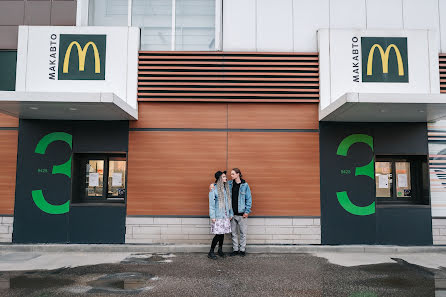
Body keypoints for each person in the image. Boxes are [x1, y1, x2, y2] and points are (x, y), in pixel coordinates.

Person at [210, 168, 252, 256]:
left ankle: (242, 250)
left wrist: (247, 211)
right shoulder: (229, 184)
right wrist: (212, 185)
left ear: (238, 174)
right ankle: (235, 250)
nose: (230, 176)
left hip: (240, 213)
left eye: (233, 174)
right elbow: (218, 184)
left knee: (242, 233)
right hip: (230, 214)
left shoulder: (245, 185)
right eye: (230, 174)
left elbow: (249, 199)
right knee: (233, 233)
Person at [208, 170, 233, 260]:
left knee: (222, 234)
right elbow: (211, 204)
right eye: (223, 177)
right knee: (218, 234)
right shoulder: (214, 190)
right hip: (218, 216)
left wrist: (230, 213)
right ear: (219, 178)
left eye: (225, 176)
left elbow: (228, 203)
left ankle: (220, 250)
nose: (225, 178)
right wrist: (213, 216)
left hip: (225, 215)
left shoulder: (226, 188)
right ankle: (211, 252)